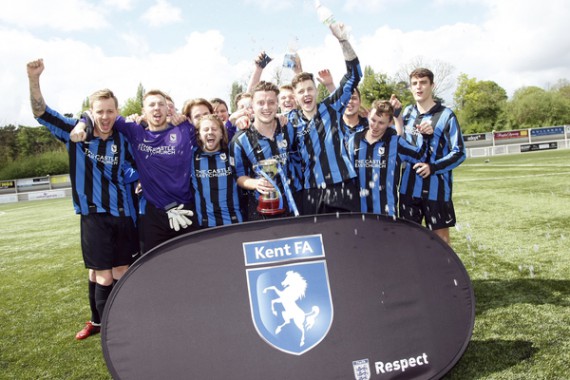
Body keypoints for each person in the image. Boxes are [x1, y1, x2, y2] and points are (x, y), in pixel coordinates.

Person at [27, 58, 139, 340]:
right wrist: (34, 78)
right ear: (91, 111)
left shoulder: (123, 138)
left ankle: (104, 322)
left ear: (117, 111)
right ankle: (112, 334)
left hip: (123, 214)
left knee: (122, 271)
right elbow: (40, 112)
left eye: (110, 111)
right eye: (99, 112)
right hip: (94, 215)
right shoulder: (76, 132)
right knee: (101, 275)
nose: (105, 117)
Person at [73, 89, 198, 254]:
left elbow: (213, 132)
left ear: (168, 109)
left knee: (192, 261)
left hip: (184, 209)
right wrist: (81, 124)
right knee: (152, 265)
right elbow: (98, 114)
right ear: (143, 111)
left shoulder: (183, 128)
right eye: (151, 105)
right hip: (154, 214)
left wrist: (184, 119)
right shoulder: (135, 130)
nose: (157, 108)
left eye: (161, 104)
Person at [286, 21, 361, 214]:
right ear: (295, 96)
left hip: (342, 185)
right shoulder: (289, 120)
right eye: (301, 91)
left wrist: (343, 40)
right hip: (311, 191)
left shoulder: (331, 107)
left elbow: (354, 75)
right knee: (318, 242)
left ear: (316, 90)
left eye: (310, 89)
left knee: (349, 241)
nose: (306, 94)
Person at [398, 67, 466, 245]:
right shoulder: (406, 114)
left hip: (437, 190)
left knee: (441, 240)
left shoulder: (446, 115)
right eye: (414, 83)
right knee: (409, 239)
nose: (418, 87)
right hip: (408, 188)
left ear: (432, 85)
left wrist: (433, 167)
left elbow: (459, 152)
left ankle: (445, 273)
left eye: (423, 83)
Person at [230, 81, 299, 220]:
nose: (266, 107)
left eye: (271, 102)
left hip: (292, 204)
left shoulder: (289, 128)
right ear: (252, 107)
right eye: (260, 103)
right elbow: (239, 177)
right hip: (259, 209)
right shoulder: (240, 140)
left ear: (277, 104)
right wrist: (256, 183)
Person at [347, 100, 430, 216]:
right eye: (373, 120)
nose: (375, 126)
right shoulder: (353, 140)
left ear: (390, 123)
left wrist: (426, 136)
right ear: (369, 116)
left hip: (387, 214)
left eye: (381, 123)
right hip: (357, 212)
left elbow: (421, 156)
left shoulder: (396, 143)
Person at [192, 114, 244, 227]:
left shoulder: (233, 153)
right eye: (205, 129)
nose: (210, 132)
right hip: (205, 225)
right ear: (199, 135)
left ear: (221, 134)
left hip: (234, 222)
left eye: (214, 129)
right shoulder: (192, 156)